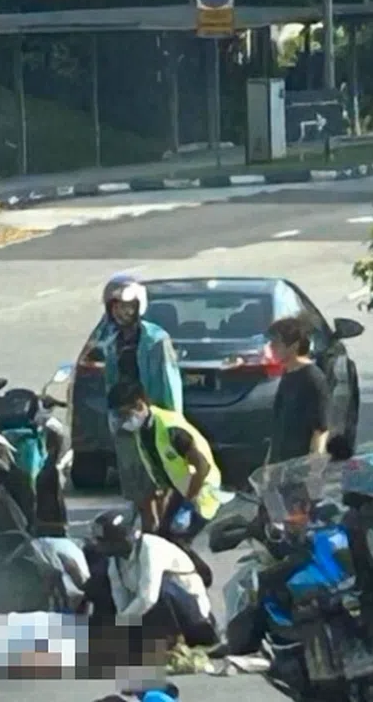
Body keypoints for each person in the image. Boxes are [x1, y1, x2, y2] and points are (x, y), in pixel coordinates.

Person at [100, 277, 185, 533]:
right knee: (138, 490)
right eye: (115, 306)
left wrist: (170, 423)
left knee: (158, 486)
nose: (121, 312)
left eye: (126, 306)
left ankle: (159, 536)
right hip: (125, 418)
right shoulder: (112, 340)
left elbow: (169, 385)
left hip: (153, 419)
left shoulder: (156, 340)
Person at [87, 509, 219, 663]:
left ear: (119, 540)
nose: (99, 547)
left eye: (102, 542)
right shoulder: (114, 564)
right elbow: (121, 603)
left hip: (192, 613)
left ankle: (176, 640)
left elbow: (148, 598)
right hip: (155, 615)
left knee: (162, 588)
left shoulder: (150, 547)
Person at [106, 380, 224, 543]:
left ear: (140, 405)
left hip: (203, 494)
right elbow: (165, 472)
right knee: (162, 537)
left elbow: (202, 466)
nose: (123, 421)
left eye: (125, 414)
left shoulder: (170, 428)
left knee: (179, 544)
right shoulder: (144, 431)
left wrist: (189, 502)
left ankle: (201, 569)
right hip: (182, 492)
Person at [268, 314, 332, 462]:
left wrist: (313, 468)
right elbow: (278, 426)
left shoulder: (313, 379)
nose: (271, 347)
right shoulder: (288, 373)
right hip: (280, 465)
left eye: (277, 342)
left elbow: (320, 429)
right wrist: (268, 464)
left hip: (300, 466)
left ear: (294, 346)